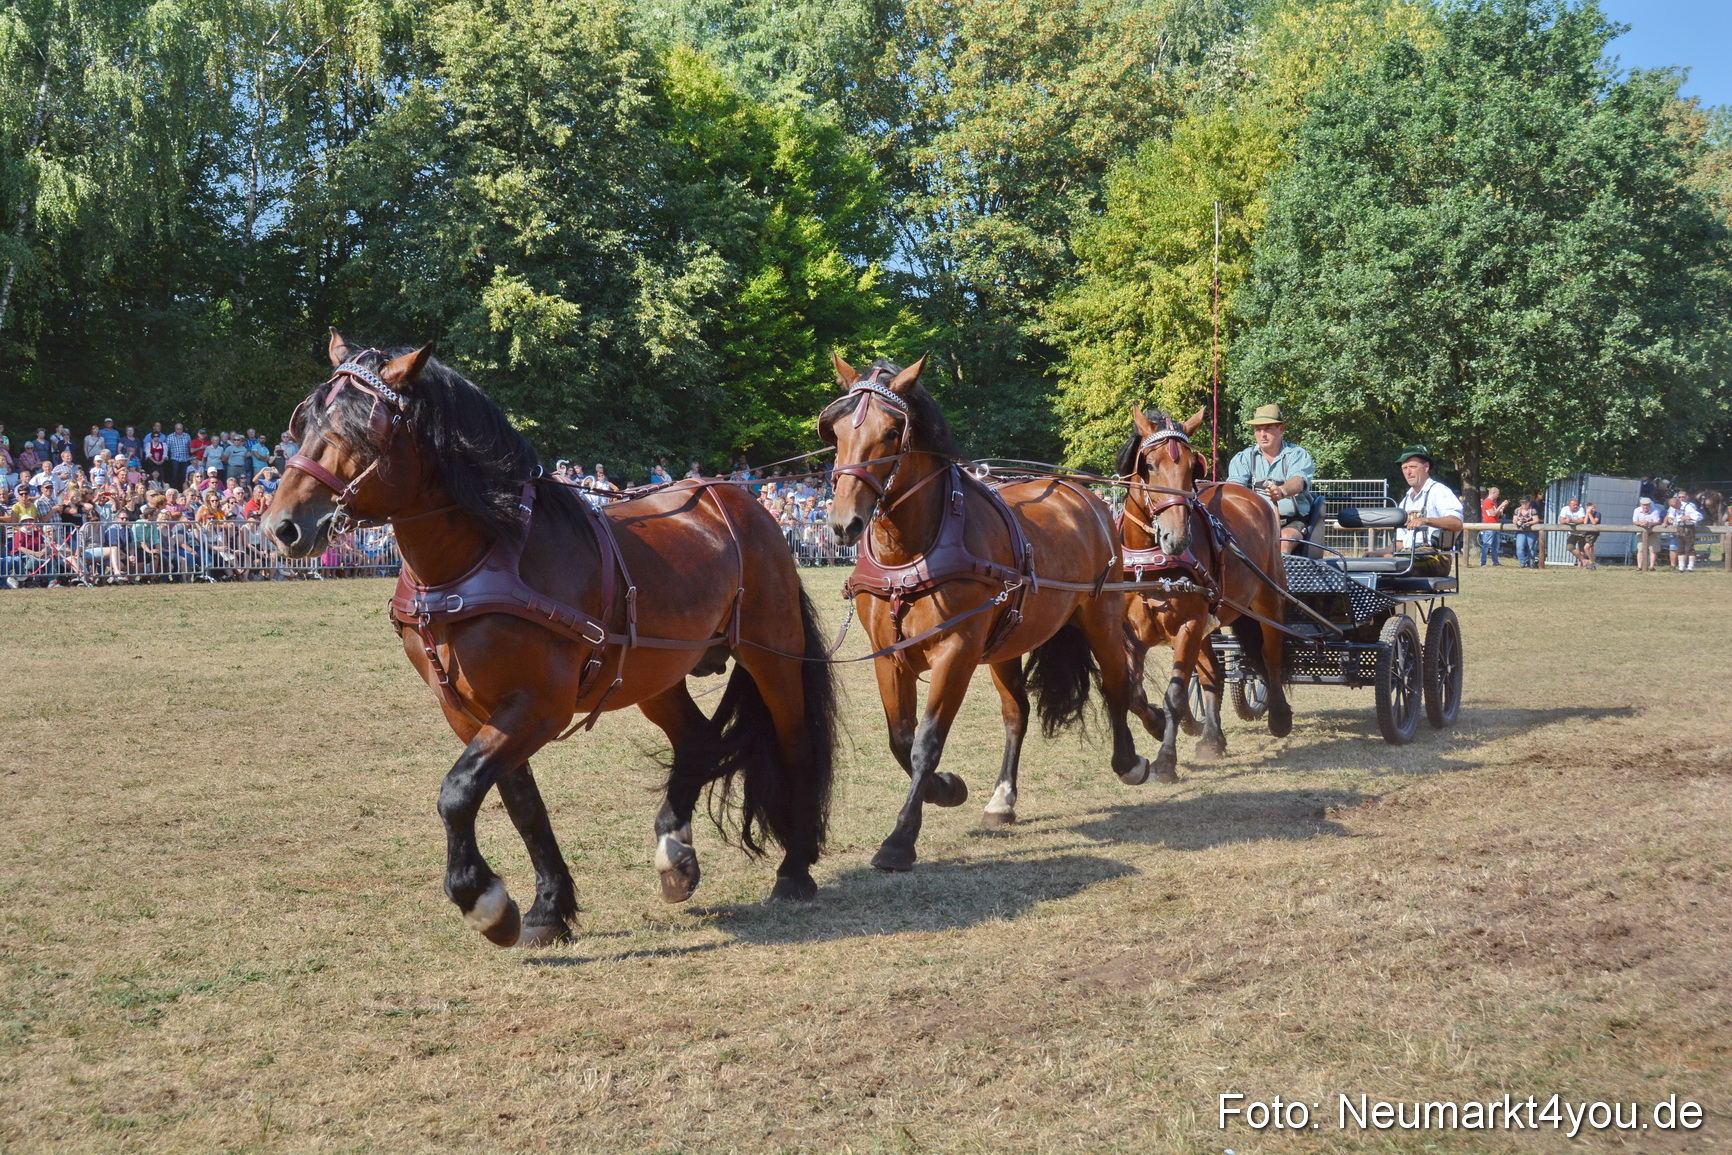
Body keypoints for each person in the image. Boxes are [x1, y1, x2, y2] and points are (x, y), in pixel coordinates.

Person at [1226, 403, 1316, 554]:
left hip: (1292, 521)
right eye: (1258, 429)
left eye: (1268, 428)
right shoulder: (1243, 458)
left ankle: (1282, 575)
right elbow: (1235, 488)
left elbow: (1298, 481)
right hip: (1256, 521)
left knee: (1284, 538)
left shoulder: (1297, 455)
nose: (1263, 434)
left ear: (1281, 429)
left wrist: (1282, 491)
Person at [1390, 445, 1463, 576]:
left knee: (1400, 563)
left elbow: (1456, 523)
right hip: (1407, 554)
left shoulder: (1439, 491)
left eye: (1412, 467)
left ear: (1426, 467)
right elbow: (1399, 544)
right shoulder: (1405, 500)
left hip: (1435, 556)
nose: (1408, 472)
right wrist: (1380, 553)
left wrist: (1426, 520)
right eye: (1404, 468)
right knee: (1370, 563)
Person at [1666, 490, 1702, 571]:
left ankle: (1691, 566)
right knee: (1680, 548)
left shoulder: (1688, 507)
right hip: (1680, 527)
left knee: (1690, 548)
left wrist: (1689, 517)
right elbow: (1671, 513)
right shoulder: (1673, 507)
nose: (1675, 508)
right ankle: (1681, 567)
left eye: (1675, 506)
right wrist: (1670, 517)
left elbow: (1699, 516)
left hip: (1689, 527)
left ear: (1678, 503)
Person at [1478, 486, 1508, 566]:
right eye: (1497, 494)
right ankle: (1483, 562)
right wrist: (1501, 505)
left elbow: (1498, 514)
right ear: (1493, 493)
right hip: (1489, 525)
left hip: (1496, 525)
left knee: (1495, 545)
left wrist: (1503, 507)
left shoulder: (1494, 502)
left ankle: (1495, 562)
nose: (1498, 496)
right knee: (1487, 544)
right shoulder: (1487, 502)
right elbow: (1493, 513)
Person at [1632, 495, 1664, 571]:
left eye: (1647, 505)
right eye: (1644, 505)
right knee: (1640, 549)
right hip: (1641, 531)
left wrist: (1649, 523)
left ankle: (1652, 567)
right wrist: (1641, 523)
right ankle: (1639, 567)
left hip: (1653, 532)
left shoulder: (1656, 510)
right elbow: (1635, 521)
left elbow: (1658, 521)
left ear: (1650, 504)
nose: (1645, 506)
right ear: (1641, 504)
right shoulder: (1636, 510)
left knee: (1653, 549)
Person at [1559, 498, 1590, 567]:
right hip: (1571, 533)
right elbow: (1561, 520)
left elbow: (1582, 520)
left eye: (1576, 505)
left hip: (1581, 533)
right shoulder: (1565, 509)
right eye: (1574, 505)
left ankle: (1579, 567)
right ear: (1569, 505)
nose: (1576, 506)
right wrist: (1566, 521)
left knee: (1582, 550)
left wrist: (1572, 521)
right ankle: (1584, 560)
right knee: (1570, 547)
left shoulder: (1581, 509)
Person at [165, 422, 192, 487]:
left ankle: (184, 489)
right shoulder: (170, 437)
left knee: (185, 476)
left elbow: (190, 447)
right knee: (175, 475)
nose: (179, 430)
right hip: (175, 459)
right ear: (175, 429)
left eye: (180, 429)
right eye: (178, 429)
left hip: (185, 459)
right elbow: (167, 449)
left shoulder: (187, 436)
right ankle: (175, 489)